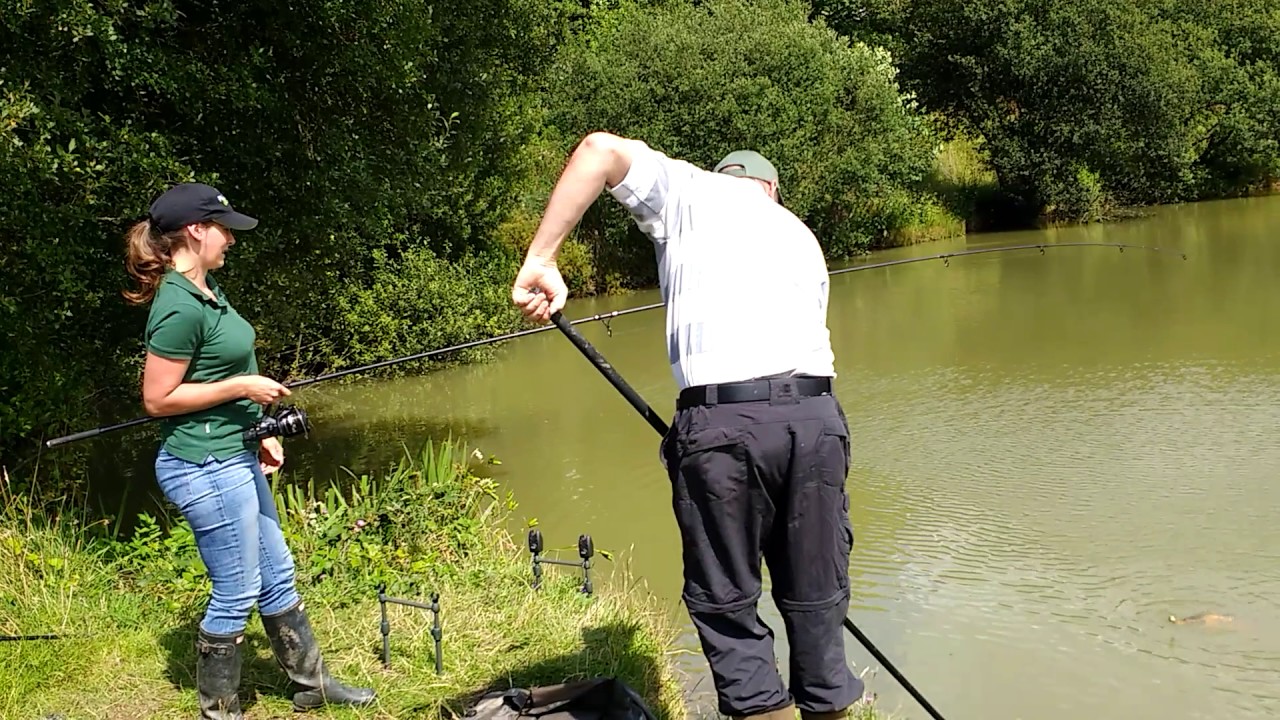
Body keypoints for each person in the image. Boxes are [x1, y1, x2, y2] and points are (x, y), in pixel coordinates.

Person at [511, 134, 864, 720]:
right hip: (816, 418)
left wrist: (542, 259)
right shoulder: (801, 234)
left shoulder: (690, 190)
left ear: (721, 176)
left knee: (726, 596)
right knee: (816, 592)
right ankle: (829, 706)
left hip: (725, 420)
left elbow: (597, 150)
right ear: (772, 189)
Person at [123, 182, 375, 719]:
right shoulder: (177, 306)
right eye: (224, 229)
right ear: (195, 229)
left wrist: (260, 429)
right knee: (236, 590)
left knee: (276, 571)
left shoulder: (208, 290)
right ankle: (220, 710)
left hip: (233, 452)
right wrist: (243, 388)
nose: (231, 239)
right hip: (202, 464)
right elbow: (157, 397)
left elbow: (216, 369)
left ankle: (312, 685)